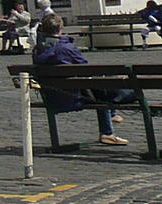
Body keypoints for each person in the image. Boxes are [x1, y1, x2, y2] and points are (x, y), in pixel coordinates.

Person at [33, 14, 134, 146]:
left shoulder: (38, 50)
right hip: (75, 95)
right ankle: (108, 129)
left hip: (52, 95)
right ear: (60, 28)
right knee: (103, 88)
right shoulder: (66, 48)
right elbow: (85, 67)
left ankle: (112, 117)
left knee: (99, 86)